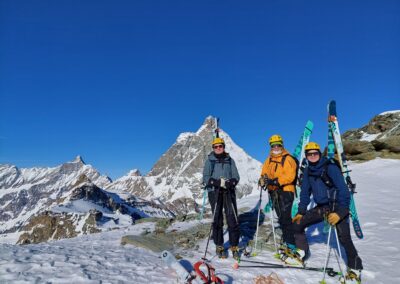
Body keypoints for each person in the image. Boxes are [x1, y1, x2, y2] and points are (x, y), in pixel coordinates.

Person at [290, 142, 363, 283]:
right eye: (309, 154)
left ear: (319, 153)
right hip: (322, 207)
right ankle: (302, 252)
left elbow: (343, 191)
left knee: (344, 238)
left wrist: (340, 213)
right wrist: (301, 211)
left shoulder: (330, 167)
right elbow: (305, 192)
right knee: (297, 224)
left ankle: (355, 269)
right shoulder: (308, 171)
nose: (312, 156)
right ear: (306, 156)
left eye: (315, 153)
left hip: (337, 206)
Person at [203, 137, 241, 260]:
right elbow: (205, 177)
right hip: (215, 192)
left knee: (232, 219)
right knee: (217, 218)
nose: (218, 148)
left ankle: (234, 245)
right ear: (213, 148)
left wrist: (232, 182)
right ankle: (219, 245)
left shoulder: (230, 160)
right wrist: (216, 182)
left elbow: (236, 176)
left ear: (224, 147)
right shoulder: (210, 161)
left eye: (220, 146)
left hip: (229, 192)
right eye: (216, 146)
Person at [259, 134, 298, 255]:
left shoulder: (288, 158)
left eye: (278, 145)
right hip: (274, 192)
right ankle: (287, 242)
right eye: (273, 145)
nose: (275, 147)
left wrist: (276, 181)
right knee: (281, 218)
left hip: (286, 191)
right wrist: (262, 179)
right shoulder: (268, 160)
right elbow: (264, 173)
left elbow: (290, 176)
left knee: (286, 218)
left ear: (282, 145)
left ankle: (291, 245)